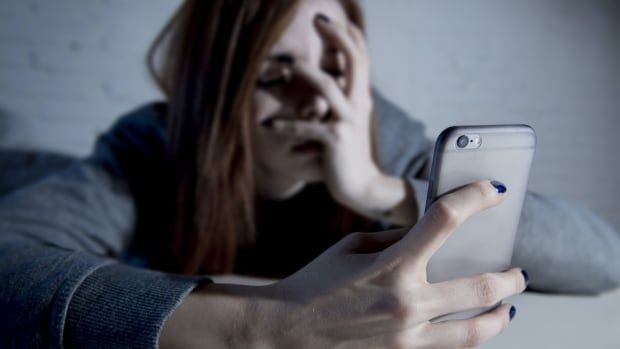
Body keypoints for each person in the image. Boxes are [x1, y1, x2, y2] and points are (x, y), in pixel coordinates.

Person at [0, 0, 618, 347]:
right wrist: (253, 326)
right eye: (275, 74)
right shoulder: (153, 142)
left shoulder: (379, 134)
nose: (319, 101)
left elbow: (603, 256)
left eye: (336, 69)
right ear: (213, 93)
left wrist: (380, 188)